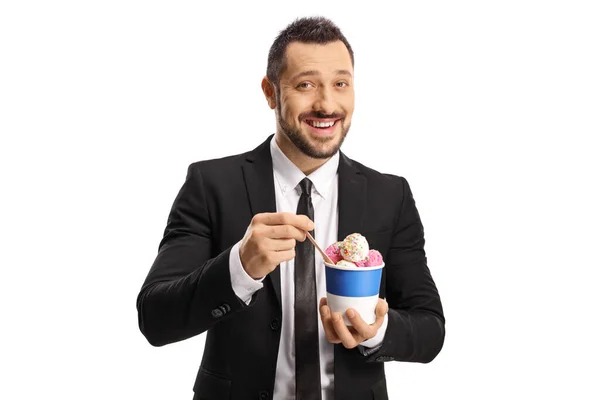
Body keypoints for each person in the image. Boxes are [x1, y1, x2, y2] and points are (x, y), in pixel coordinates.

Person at [136, 16, 445, 400]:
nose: (326, 104)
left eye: (341, 84)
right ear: (271, 93)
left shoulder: (390, 194)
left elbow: (430, 328)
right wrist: (239, 267)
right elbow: (155, 318)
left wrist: (377, 330)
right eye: (306, 84)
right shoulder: (211, 185)